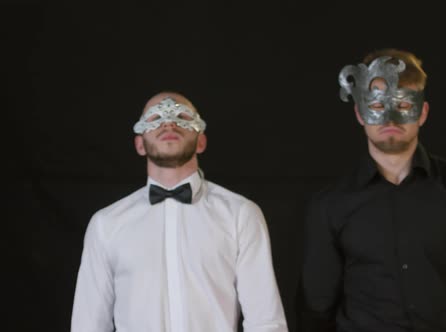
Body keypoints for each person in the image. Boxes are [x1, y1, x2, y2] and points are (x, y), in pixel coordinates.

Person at [298, 49, 446, 332]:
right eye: (377, 106)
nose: (391, 120)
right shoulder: (330, 205)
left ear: (423, 113)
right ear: (360, 112)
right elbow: (315, 308)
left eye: (404, 105)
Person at [71, 91, 288, 332]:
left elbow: (266, 321)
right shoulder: (106, 224)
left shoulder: (240, 214)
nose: (169, 123)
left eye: (181, 115)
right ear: (139, 144)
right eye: (155, 119)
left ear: (201, 141)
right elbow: (88, 324)